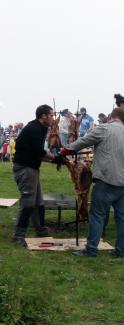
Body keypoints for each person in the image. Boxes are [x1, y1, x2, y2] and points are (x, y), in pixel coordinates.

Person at [61, 108, 124, 257]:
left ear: (110, 116)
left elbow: (83, 141)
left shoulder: (104, 128)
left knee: (97, 215)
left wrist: (65, 151)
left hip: (106, 179)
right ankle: (122, 250)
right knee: (123, 217)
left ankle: (91, 250)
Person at [11, 104, 60, 246]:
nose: (52, 118)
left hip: (32, 167)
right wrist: (56, 158)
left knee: (38, 201)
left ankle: (41, 229)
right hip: (25, 168)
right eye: (51, 115)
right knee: (28, 201)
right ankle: (18, 234)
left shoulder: (40, 128)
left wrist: (56, 160)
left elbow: (36, 154)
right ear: (43, 116)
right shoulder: (34, 129)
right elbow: (40, 152)